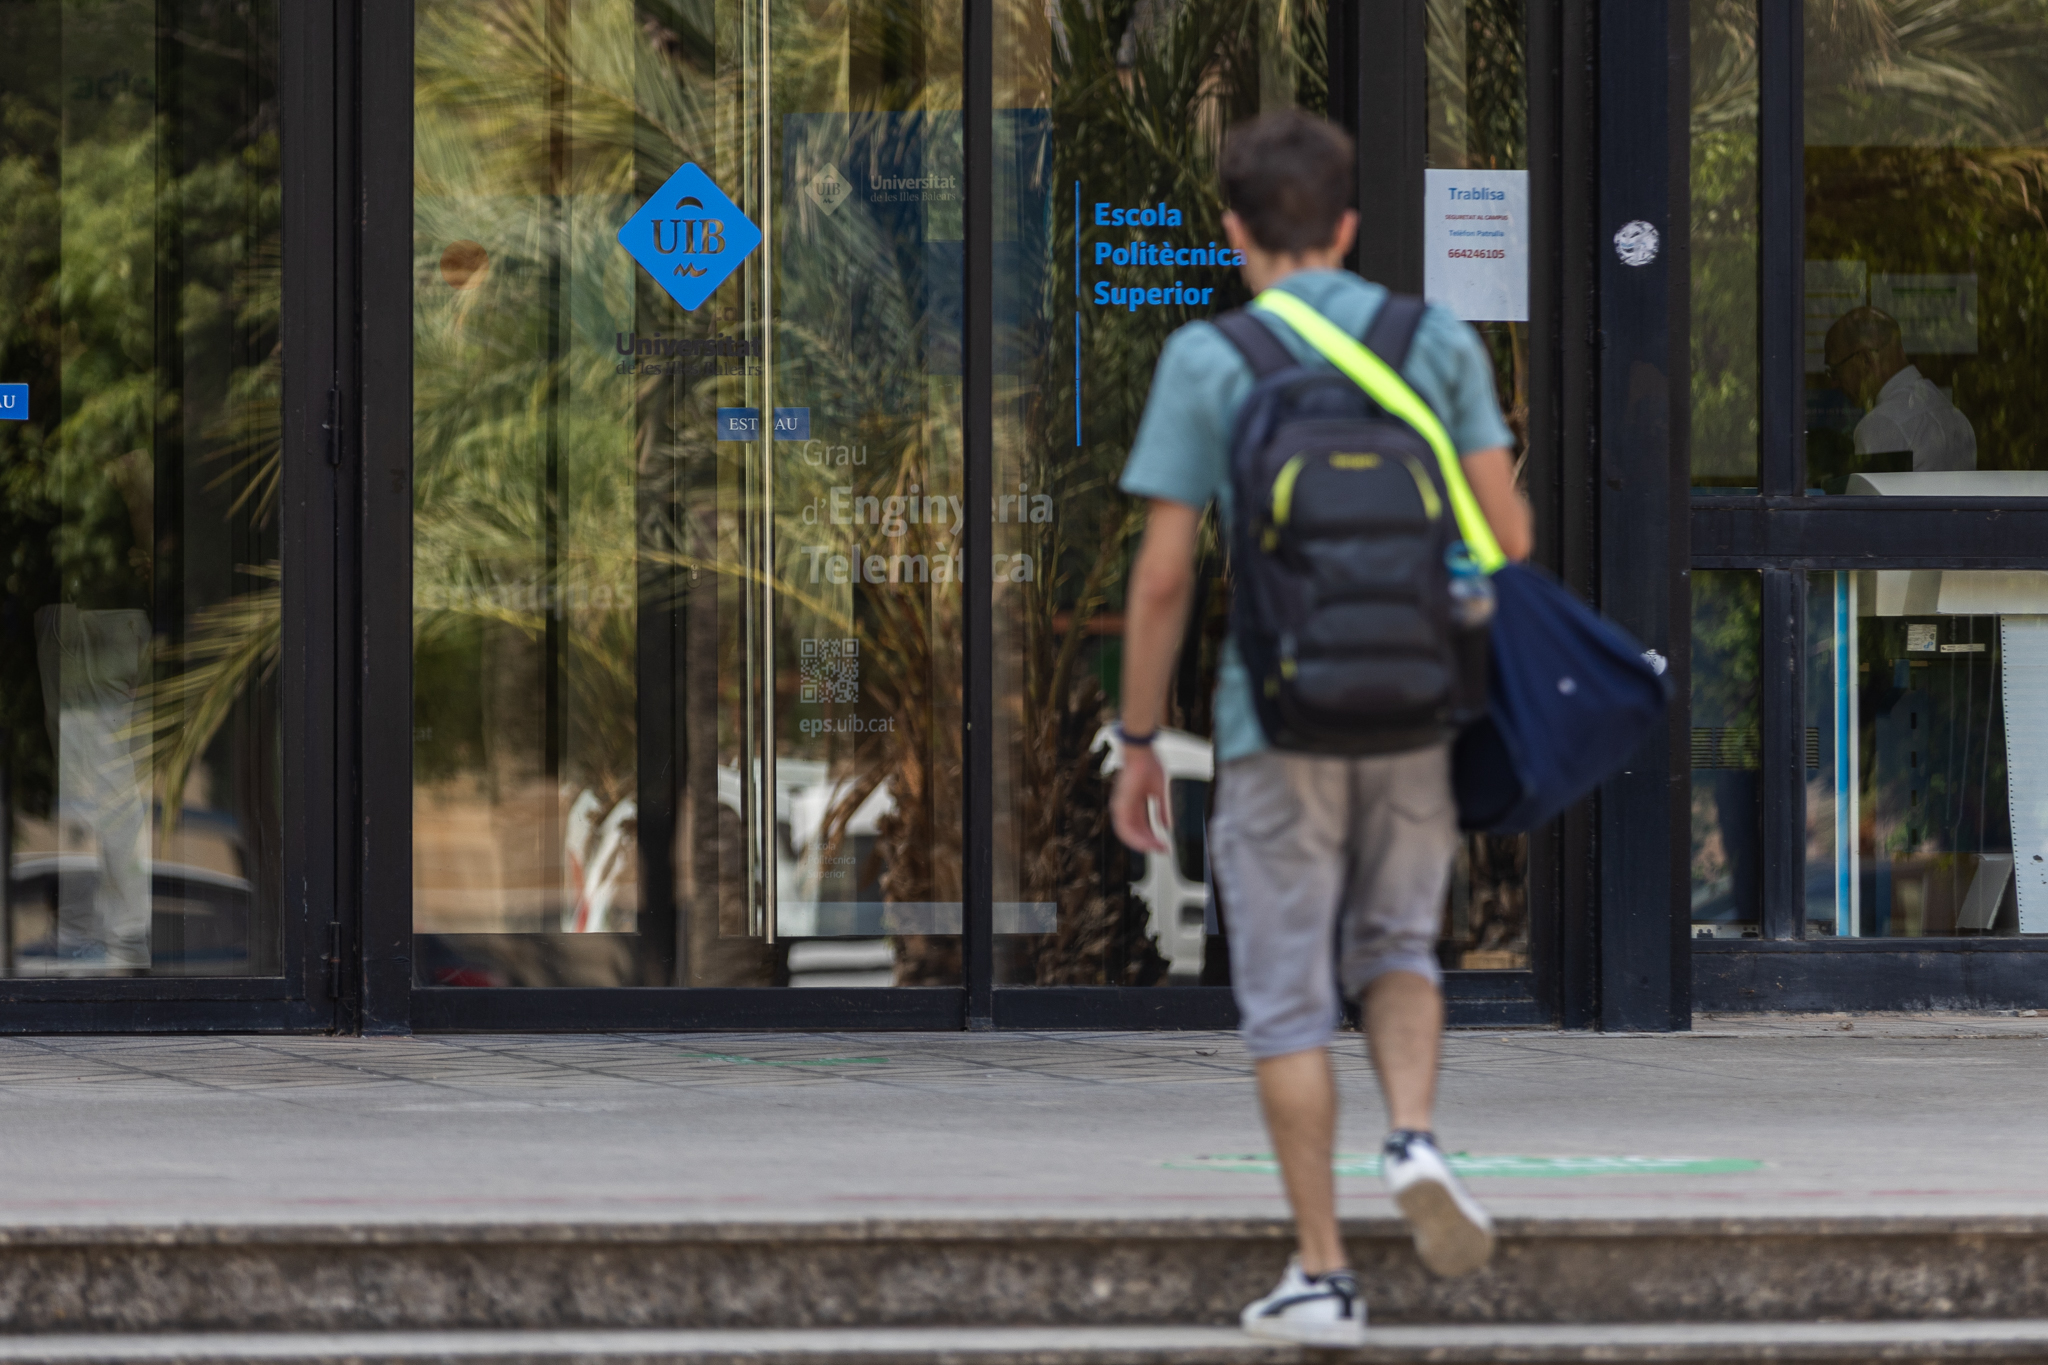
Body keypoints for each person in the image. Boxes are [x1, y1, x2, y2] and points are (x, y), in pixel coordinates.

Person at [1108, 109, 1533, 1347]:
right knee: (1397, 943)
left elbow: (1162, 578)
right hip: (1411, 710)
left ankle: (1322, 1273)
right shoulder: (1431, 340)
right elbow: (1508, 539)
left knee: (1288, 1002)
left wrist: (1139, 739)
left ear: (1232, 232)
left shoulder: (1209, 357)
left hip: (1273, 722)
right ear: (1346, 226)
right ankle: (1414, 1138)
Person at [1824, 306, 1976, 473]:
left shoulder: (1879, 425)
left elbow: (1872, 491)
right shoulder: (1958, 418)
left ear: (1865, 359)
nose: (1834, 383)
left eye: (1835, 371)